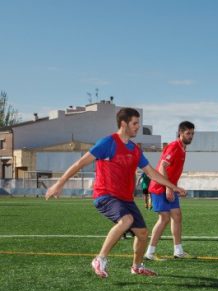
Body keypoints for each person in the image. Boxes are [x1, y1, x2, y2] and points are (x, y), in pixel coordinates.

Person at [45, 108, 186, 278]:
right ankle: (100, 259)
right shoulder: (107, 143)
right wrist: (59, 184)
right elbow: (79, 164)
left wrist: (173, 186)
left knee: (142, 234)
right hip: (106, 195)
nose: (138, 127)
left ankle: (137, 266)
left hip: (126, 199)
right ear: (124, 123)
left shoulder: (134, 149)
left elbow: (151, 172)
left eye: (138, 123)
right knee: (126, 220)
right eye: (135, 123)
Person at [145, 121, 195, 260]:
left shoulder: (182, 148)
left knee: (177, 216)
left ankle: (178, 251)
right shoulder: (174, 146)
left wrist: (172, 188)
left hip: (169, 187)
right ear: (180, 133)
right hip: (159, 187)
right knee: (164, 218)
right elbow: (162, 167)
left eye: (192, 133)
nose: (190, 136)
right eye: (188, 133)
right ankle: (149, 253)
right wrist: (169, 188)